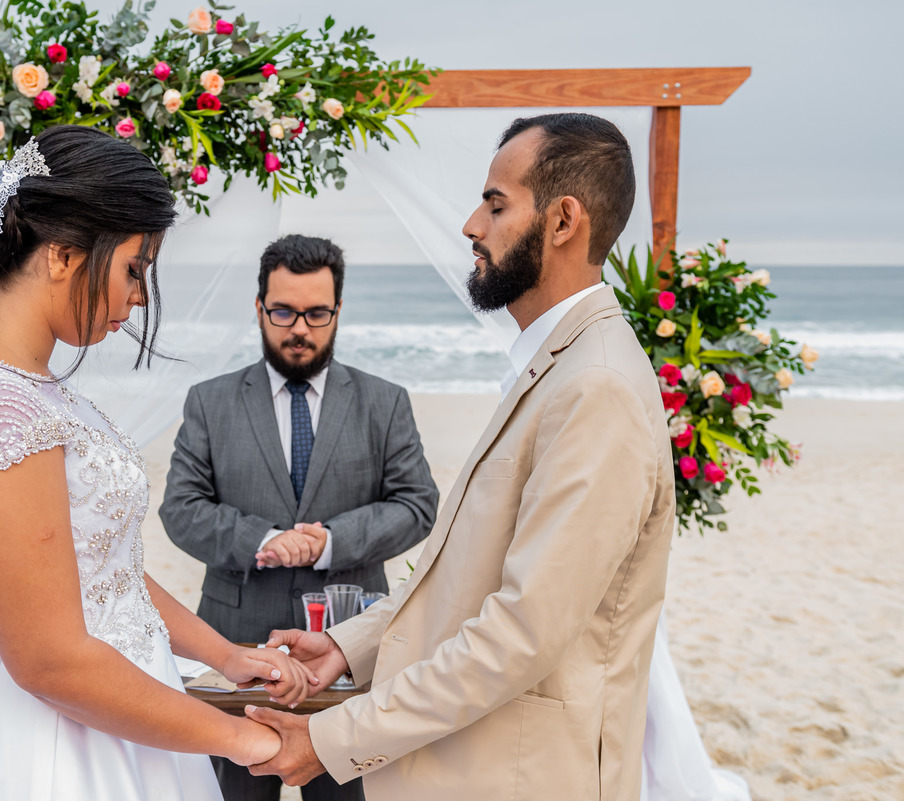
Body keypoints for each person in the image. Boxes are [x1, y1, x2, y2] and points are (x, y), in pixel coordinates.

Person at [0, 125, 316, 801]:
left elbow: (98, 569)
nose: (139, 299)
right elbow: (50, 658)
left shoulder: (28, 392)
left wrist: (220, 653)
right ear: (64, 255)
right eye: (135, 268)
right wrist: (246, 739)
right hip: (65, 746)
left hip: (123, 718)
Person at [242, 113, 676, 801]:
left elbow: (521, 631)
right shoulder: (557, 368)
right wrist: (352, 647)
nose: (472, 224)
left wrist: (333, 739)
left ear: (564, 221)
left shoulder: (597, 386)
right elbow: (466, 576)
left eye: (496, 203)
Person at [159, 234, 439, 801]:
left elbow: (417, 505)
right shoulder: (209, 401)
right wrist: (263, 539)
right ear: (260, 308)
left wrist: (329, 542)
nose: (300, 329)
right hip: (234, 657)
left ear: (337, 311)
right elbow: (180, 510)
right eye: (284, 311)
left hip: (349, 653)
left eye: (317, 313)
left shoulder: (385, 401)